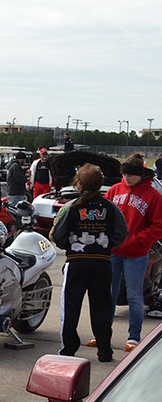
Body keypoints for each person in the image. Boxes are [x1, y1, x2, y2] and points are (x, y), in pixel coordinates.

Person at [51, 164, 127, 361]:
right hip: (102, 263)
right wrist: (106, 245)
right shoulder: (110, 207)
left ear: (78, 184)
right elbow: (122, 233)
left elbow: (57, 234)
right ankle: (104, 351)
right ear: (100, 184)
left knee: (70, 308)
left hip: (76, 263)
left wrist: (70, 245)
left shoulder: (70, 207)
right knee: (102, 307)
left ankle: (68, 350)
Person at [99, 153, 162, 351]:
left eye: (130, 175)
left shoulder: (153, 196)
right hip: (114, 251)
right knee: (109, 293)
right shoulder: (115, 190)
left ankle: (133, 337)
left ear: (141, 175)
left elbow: (158, 226)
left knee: (135, 296)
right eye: (124, 175)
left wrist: (138, 240)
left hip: (137, 254)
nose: (126, 178)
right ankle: (102, 334)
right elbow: (103, 214)